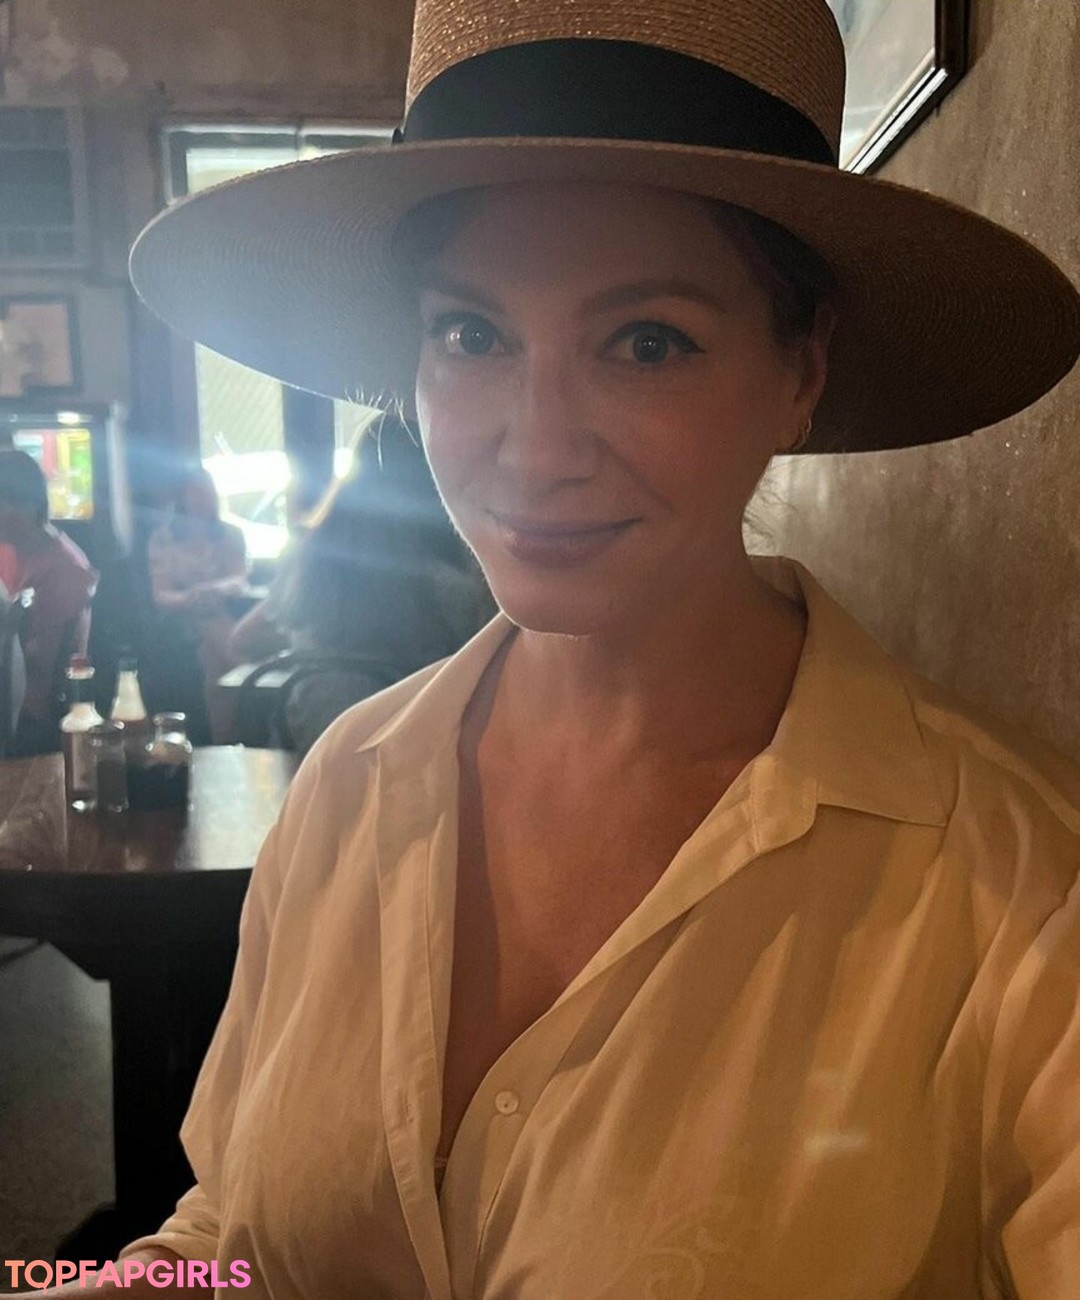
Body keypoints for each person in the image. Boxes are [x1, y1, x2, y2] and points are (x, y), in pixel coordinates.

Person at [28, 0, 1080, 1295]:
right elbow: (231, 1234)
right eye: (471, 333)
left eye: (647, 342)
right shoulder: (351, 780)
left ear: (800, 369)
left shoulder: (1017, 890)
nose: (534, 449)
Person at [228, 414, 495, 753]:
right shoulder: (455, 584)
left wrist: (312, 654)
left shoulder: (312, 554)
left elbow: (243, 639)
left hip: (313, 740)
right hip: (413, 749)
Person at [0, 448, 97, 755]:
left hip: (34, 720)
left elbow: (43, 667)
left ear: (25, 505)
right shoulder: (9, 548)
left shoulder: (64, 568)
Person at [146, 465, 247, 742]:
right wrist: (191, 598)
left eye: (207, 492)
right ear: (181, 497)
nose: (203, 499)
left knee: (214, 653)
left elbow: (239, 580)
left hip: (220, 610)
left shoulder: (230, 534)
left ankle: (223, 733)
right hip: (179, 619)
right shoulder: (163, 538)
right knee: (221, 649)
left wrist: (213, 590)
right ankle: (226, 731)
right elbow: (161, 595)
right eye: (196, 492)